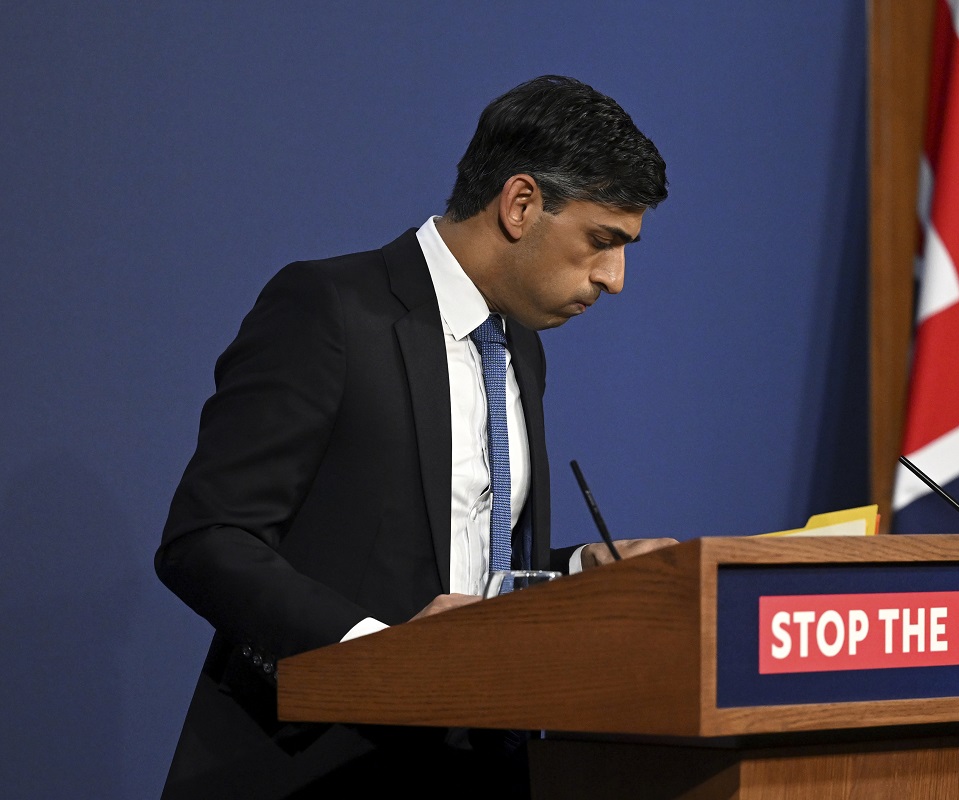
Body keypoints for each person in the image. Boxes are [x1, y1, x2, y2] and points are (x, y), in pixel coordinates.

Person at [154, 74, 675, 799]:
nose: (614, 278)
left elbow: (462, 571)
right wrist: (381, 658)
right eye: (601, 241)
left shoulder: (521, 347)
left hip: (476, 766)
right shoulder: (330, 311)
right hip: (317, 765)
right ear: (520, 204)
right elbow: (207, 540)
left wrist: (584, 570)